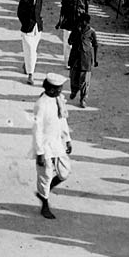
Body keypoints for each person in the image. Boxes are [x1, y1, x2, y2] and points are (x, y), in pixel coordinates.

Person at [32, 72, 72, 220]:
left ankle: (45, 190)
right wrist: (40, 152)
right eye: (58, 88)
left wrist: (67, 139)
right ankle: (45, 203)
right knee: (46, 175)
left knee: (65, 172)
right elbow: (37, 129)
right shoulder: (41, 104)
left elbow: (63, 121)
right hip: (44, 145)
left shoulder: (58, 100)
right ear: (50, 88)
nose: (60, 91)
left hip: (56, 143)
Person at [67, 12, 98, 107]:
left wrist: (95, 59)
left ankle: (83, 98)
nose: (83, 24)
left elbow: (95, 45)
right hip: (75, 57)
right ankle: (74, 90)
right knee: (73, 76)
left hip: (86, 58)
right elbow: (69, 41)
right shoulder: (75, 30)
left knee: (85, 80)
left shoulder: (91, 32)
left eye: (84, 22)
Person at [17, 0, 45, 85]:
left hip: (37, 30)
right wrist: (26, 23)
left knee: (32, 50)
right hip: (27, 30)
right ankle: (30, 75)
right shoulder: (24, 1)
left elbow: (38, 12)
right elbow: (20, 14)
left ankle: (27, 64)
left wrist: (39, 21)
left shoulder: (40, 0)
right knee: (31, 50)